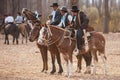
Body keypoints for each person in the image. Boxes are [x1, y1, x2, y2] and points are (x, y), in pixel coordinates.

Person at [71, 6, 92, 73]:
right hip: (77, 28)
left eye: (72, 11)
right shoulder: (74, 16)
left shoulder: (81, 13)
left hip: (82, 28)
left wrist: (81, 27)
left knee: (78, 35)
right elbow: (74, 24)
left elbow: (87, 20)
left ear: (75, 11)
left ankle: (79, 47)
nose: (72, 13)